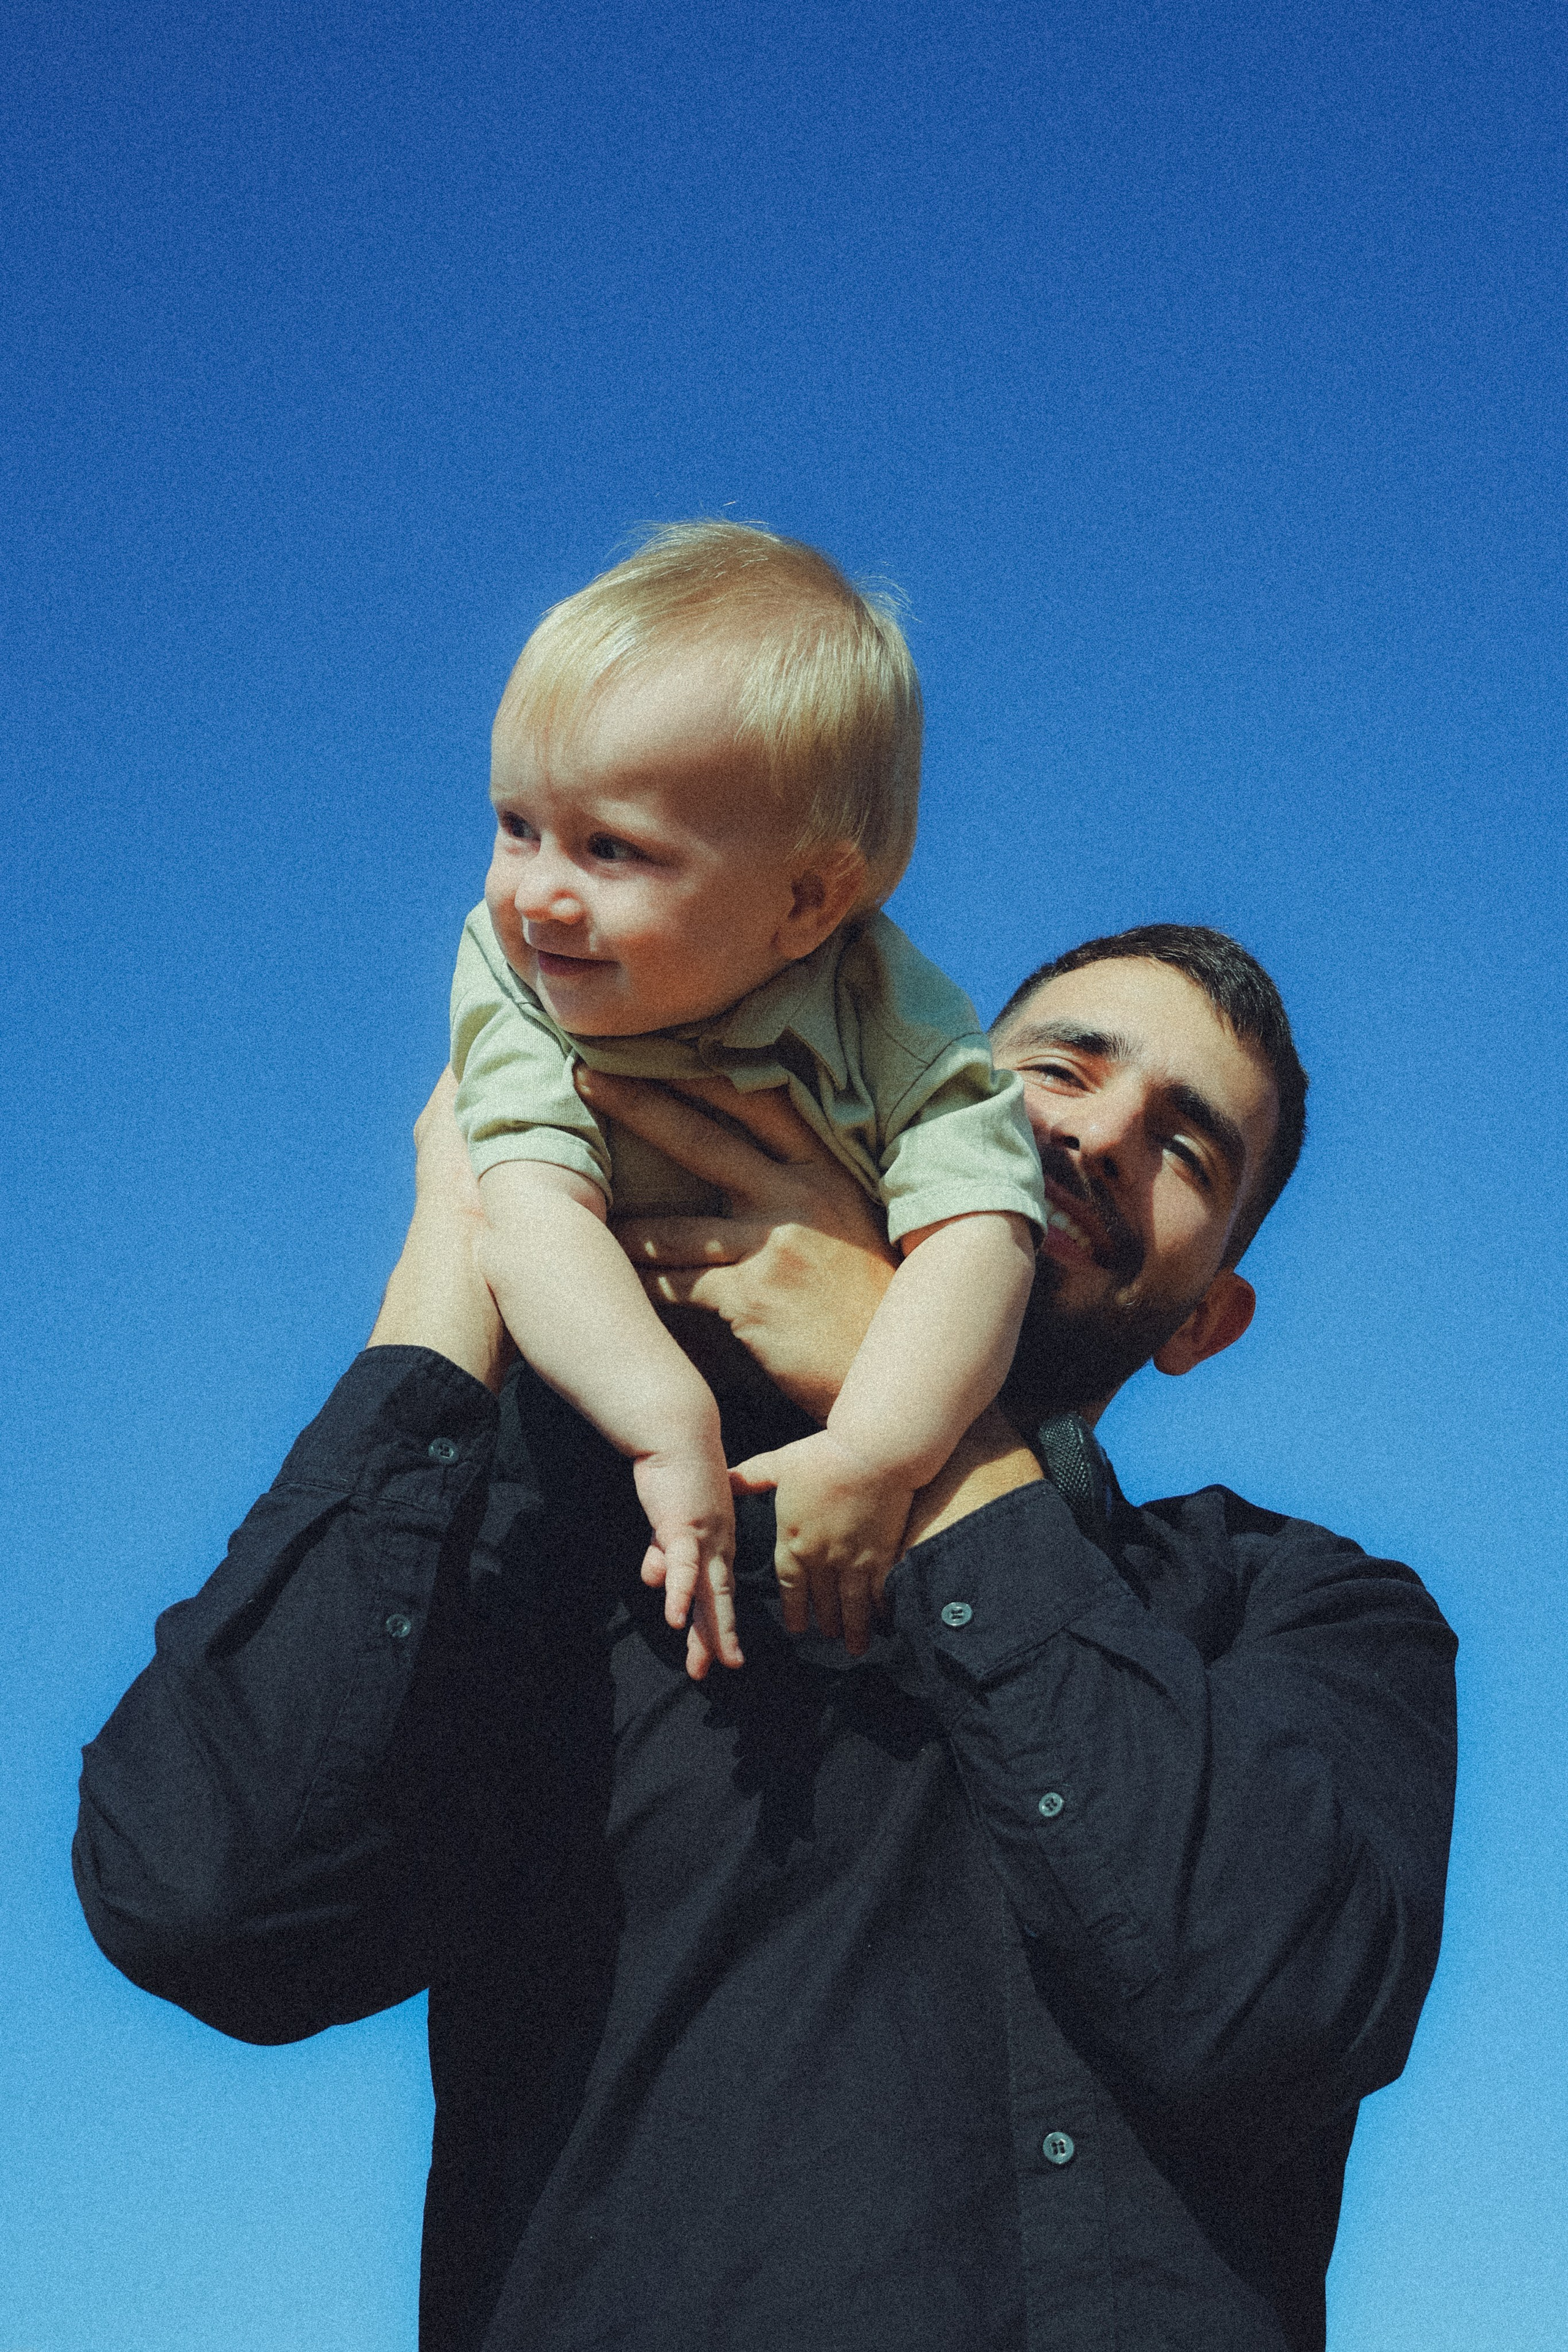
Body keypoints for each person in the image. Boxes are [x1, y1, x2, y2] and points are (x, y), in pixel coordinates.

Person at [73, 925, 1457, 2352]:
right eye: (1056, 1068)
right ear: (925, 1107)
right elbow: (208, 1896)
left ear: (1206, 1324)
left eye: (1188, 1150)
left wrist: (923, 1419)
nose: (1097, 1134)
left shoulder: (1302, 1611)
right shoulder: (603, 1523)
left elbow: (1270, 2009)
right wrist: (457, 1254)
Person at [451, 520, 1042, 1674]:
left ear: (808, 903)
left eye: (612, 850)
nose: (539, 896)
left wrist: (878, 1449)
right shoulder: (512, 969)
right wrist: (664, 1421)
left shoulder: (885, 1003)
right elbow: (530, 1212)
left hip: (833, 1446)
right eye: (517, 826)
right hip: (598, 1414)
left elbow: (980, 1229)